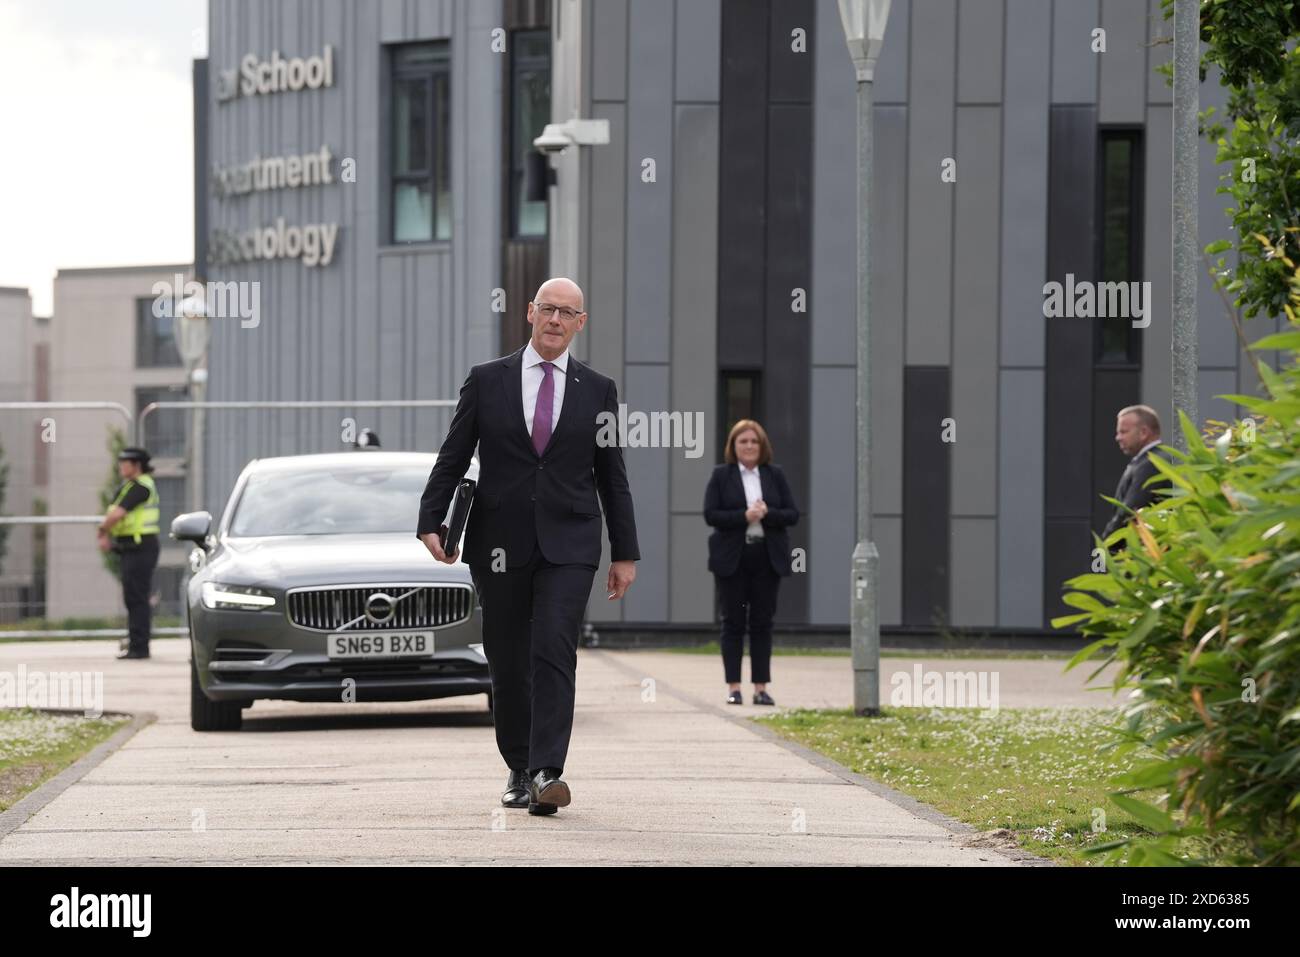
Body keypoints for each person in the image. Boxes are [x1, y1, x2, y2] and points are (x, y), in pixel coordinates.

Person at [416, 277, 639, 816]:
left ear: (580, 323)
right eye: (547, 310)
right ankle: (517, 765)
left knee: (554, 648)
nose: (556, 320)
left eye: (567, 313)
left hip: (571, 541)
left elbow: (613, 475)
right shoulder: (487, 380)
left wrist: (625, 552)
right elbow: (453, 454)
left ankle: (547, 772)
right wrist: (431, 519)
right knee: (508, 655)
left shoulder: (598, 389)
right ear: (529, 313)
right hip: (498, 542)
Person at [703, 420, 799, 707]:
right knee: (732, 623)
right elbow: (711, 515)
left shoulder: (774, 475)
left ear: (762, 446)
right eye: (742, 441)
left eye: (753, 441)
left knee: (762, 624)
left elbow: (792, 513)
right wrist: (744, 516)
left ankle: (760, 688)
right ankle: (734, 687)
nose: (748, 446)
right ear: (733, 446)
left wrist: (766, 514)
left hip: (766, 557)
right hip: (733, 558)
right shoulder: (722, 475)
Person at [98, 447, 161, 660]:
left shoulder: (140, 487)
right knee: (133, 598)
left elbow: (118, 513)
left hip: (140, 547)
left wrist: (103, 530)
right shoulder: (132, 486)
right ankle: (136, 643)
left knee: (137, 598)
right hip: (132, 547)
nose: (121, 466)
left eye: (125, 462)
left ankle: (140, 647)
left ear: (137, 465)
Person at [1101, 404, 1170, 542]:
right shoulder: (1155, 460)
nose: (1118, 437)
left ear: (1144, 432)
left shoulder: (1151, 464)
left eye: (1124, 431)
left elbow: (1130, 512)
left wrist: (1106, 544)